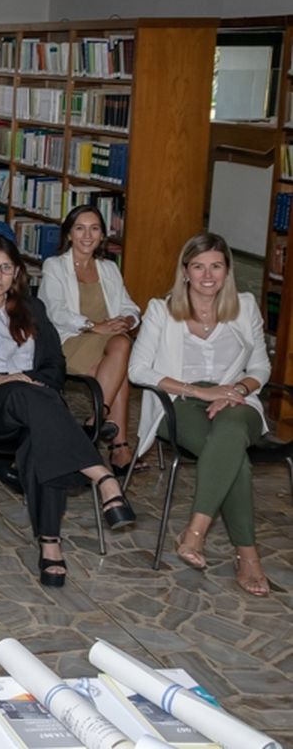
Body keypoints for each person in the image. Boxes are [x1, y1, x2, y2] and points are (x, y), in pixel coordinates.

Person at [0, 236, 136, 588]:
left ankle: (50, 545)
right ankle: (103, 475)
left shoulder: (33, 310)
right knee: (24, 396)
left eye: (5, 267)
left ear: (17, 273)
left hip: (34, 409)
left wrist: (31, 380)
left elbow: (55, 364)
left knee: (39, 442)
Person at [127, 232, 273, 596]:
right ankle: (248, 555)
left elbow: (260, 366)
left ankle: (195, 532)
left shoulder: (245, 306)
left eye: (216, 266)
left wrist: (236, 391)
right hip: (181, 401)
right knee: (232, 454)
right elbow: (138, 371)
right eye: (198, 267)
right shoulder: (162, 309)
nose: (208, 276)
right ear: (185, 271)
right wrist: (200, 391)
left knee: (231, 428)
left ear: (227, 270)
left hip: (238, 400)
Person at [39, 205, 141, 472]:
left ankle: (97, 420)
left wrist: (128, 320)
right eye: (80, 228)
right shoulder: (54, 266)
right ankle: (119, 448)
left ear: (102, 235)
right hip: (70, 340)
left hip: (107, 342)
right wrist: (94, 325)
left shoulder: (108, 268)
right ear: (69, 234)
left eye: (94, 228)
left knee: (121, 343)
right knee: (119, 366)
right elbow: (55, 311)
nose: (87, 235)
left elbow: (130, 306)